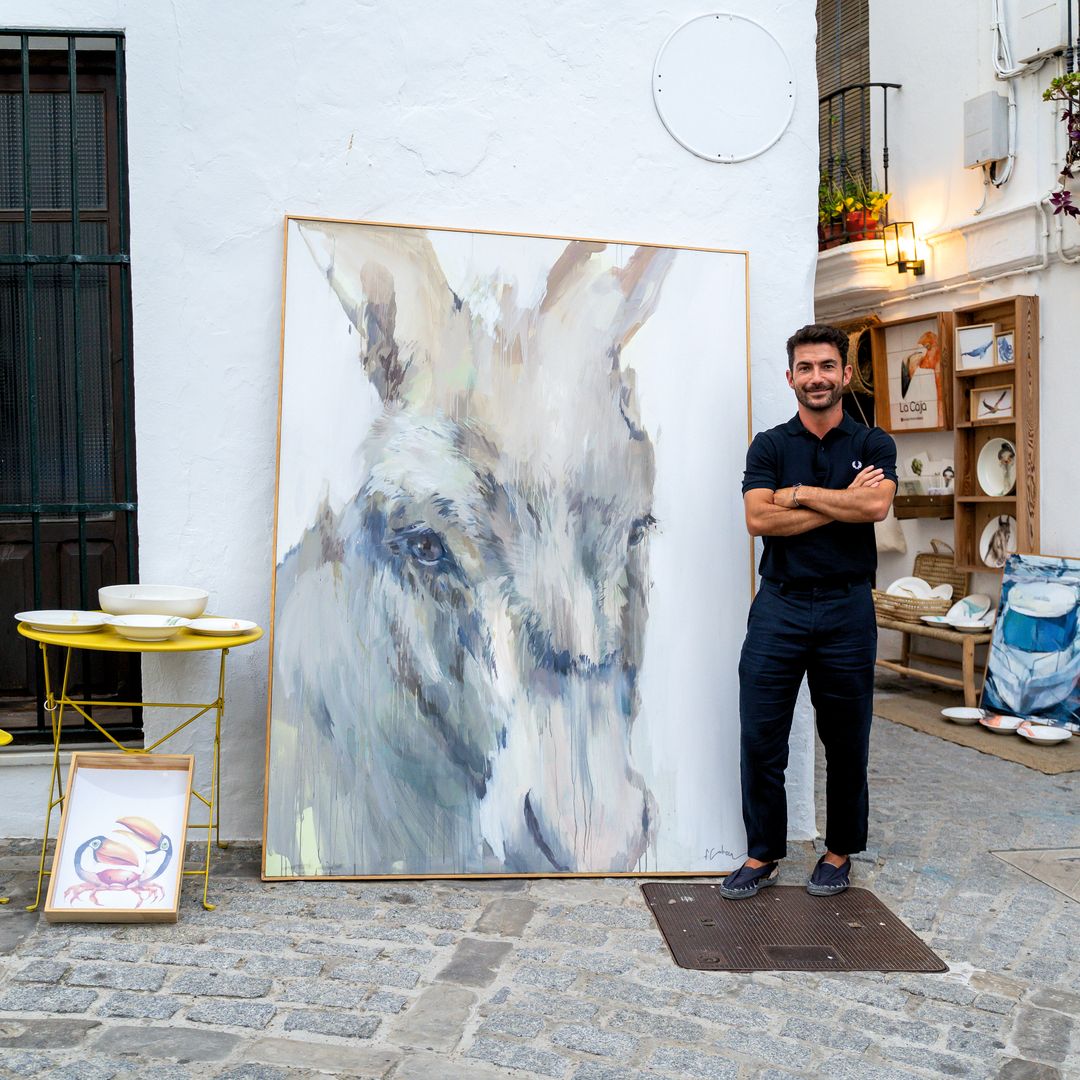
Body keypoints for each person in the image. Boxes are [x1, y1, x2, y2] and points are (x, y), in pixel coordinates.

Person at [719, 324, 897, 900]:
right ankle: (761, 852)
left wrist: (795, 495)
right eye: (805, 367)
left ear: (845, 374)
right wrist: (843, 506)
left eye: (827, 366)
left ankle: (839, 852)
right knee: (761, 733)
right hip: (780, 606)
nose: (816, 377)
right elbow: (758, 520)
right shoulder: (770, 446)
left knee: (847, 738)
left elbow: (877, 504)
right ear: (790, 376)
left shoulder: (873, 445)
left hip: (848, 607)